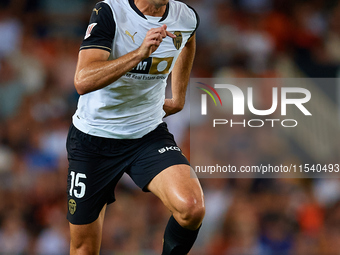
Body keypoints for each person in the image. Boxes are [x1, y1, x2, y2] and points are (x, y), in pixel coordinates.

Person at [66, 0, 205, 254]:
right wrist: (139, 54)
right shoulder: (110, 12)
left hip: (147, 134)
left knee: (191, 207)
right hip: (93, 139)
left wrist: (179, 96)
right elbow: (82, 80)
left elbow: (189, 37)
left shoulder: (185, 16)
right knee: (84, 248)